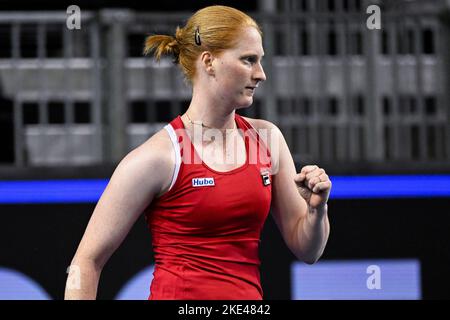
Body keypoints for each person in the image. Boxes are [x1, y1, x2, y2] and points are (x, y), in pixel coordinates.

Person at [64, 5, 331, 300]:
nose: (261, 74)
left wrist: (317, 210)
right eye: (248, 60)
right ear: (209, 62)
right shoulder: (158, 157)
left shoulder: (268, 139)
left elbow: (308, 250)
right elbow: (85, 262)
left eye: (260, 61)